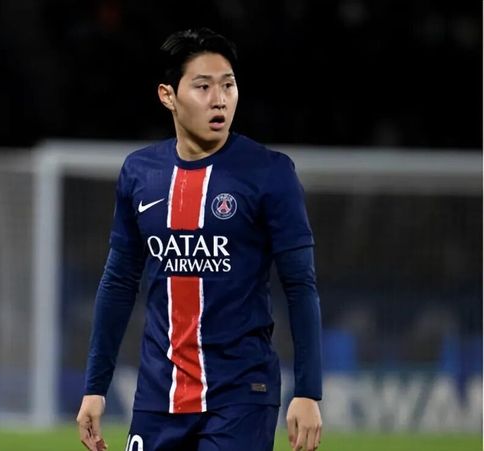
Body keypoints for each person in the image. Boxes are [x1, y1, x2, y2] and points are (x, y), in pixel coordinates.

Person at [76, 28, 322, 451]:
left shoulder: (269, 172)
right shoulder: (140, 173)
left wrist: (308, 391)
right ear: (168, 95)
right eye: (203, 87)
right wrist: (95, 387)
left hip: (242, 396)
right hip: (158, 396)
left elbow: (300, 285)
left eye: (228, 85)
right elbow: (118, 283)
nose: (220, 99)